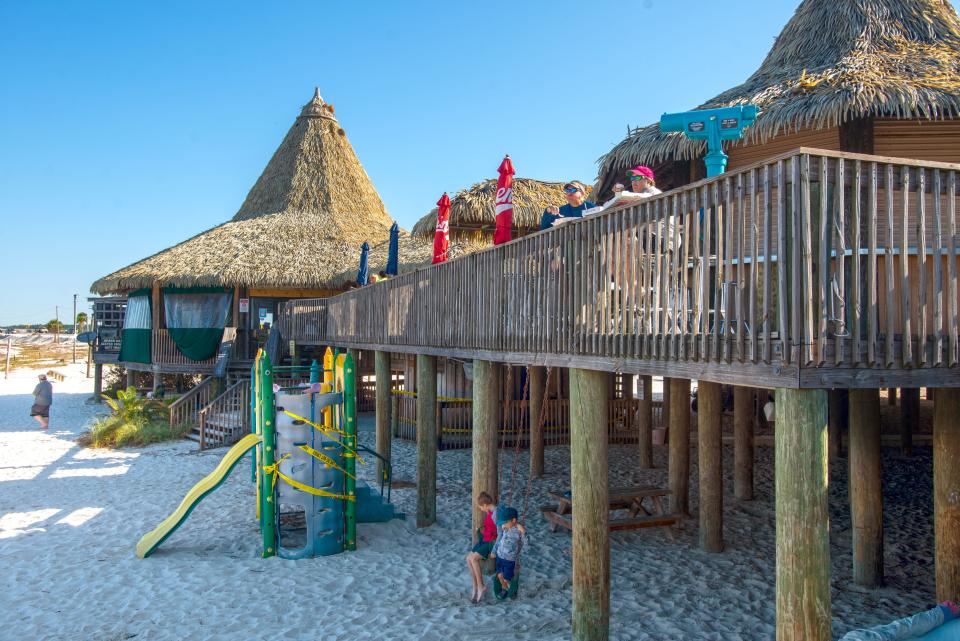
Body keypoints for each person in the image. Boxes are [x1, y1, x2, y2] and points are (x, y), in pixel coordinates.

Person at [465, 492, 498, 603]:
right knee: (468, 559)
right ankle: (475, 585)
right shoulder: (490, 512)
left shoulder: (495, 514)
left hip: (490, 543)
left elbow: (501, 531)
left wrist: (495, 549)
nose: (480, 509)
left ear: (484, 505)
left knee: (474, 559)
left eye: (480, 507)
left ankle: (481, 586)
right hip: (485, 539)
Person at [492, 507, 527, 598]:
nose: (503, 524)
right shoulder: (506, 527)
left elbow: (526, 543)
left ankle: (509, 589)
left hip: (509, 559)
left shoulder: (519, 531)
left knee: (507, 578)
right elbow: (501, 537)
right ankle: (505, 588)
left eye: (505, 522)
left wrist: (523, 533)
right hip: (500, 555)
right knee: (499, 575)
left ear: (514, 520)